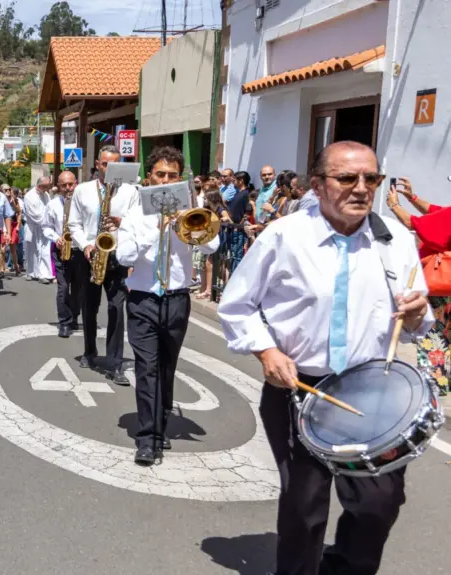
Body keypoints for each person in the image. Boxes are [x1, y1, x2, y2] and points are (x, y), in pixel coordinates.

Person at [219, 141, 432, 575]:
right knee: (304, 508)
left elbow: (419, 319)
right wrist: (266, 350)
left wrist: (417, 313)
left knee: (379, 503)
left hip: (371, 394)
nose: (361, 188)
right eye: (347, 178)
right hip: (299, 389)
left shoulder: (394, 241)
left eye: (371, 179)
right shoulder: (284, 236)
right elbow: (237, 305)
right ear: (317, 185)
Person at [116, 146, 219, 465]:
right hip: (142, 299)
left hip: (176, 299)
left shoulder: (191, 211)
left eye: (172, 175)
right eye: (160, 174)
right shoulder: (135, 214)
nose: (165, 180)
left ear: (180, 179)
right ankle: (148, 438)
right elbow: (124, 257)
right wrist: (154, 232)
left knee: (166, 367)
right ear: (149, 177)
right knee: (147, 368)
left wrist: (184, 226)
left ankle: (160, 424)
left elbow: (213, 244)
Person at [68, 146, 139, 384]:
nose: (110, 169)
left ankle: (115, 363)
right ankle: (89, 352)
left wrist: (122, 223)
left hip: (117, 255)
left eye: (116, 164)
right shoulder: (82, 190)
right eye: (106, 164)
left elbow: (138, 222)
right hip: (89, 255)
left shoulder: (130, 191)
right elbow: (74, 224)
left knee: (116, 309)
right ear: (98, 164)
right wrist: (86, 244)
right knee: (89, 307)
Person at [386, 176, 451, 394]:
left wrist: (394, 204)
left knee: (434, 337)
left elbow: (413, 223)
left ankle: (436, 384)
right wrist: (411, 197)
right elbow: (436, 212)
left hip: (443, 288)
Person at [43, 172, 82, 337]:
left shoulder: (82, 204)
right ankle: (64, 322)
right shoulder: (52, 205)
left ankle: (74, 316)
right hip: (61, 251)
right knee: (63, 288)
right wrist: (56, 238)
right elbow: (46, 227)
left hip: (79, 250)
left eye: (71, 184)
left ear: (76, 183)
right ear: (58, 186)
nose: (68, 188)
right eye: (64, 185)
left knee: (79, 289)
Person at [23, 176, 54, 283]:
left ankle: (44, 274)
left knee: (44, 251)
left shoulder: (45, 195)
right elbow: (35, 215)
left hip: (44, 227)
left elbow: (49, 208)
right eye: (46, 187)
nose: (47, 189)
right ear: (40, 186)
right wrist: (47, 221)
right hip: (34, 227)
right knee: (33, 252)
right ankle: (31, 272)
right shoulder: (29, 196)